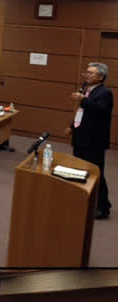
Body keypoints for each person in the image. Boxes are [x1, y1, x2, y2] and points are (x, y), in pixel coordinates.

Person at [65, 63, 113, 218]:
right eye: (86, 72)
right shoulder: (88, 90)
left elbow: (100, 110)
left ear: (101, 77)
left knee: (95, 172)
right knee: (80, 169)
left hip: (94, 141)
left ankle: (103, 207)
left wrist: (83, 100)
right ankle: (83, 200)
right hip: (82, 137)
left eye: (90, 73)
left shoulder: (105, 93)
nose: (86, 75)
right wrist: (72, 126)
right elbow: (83, 112)